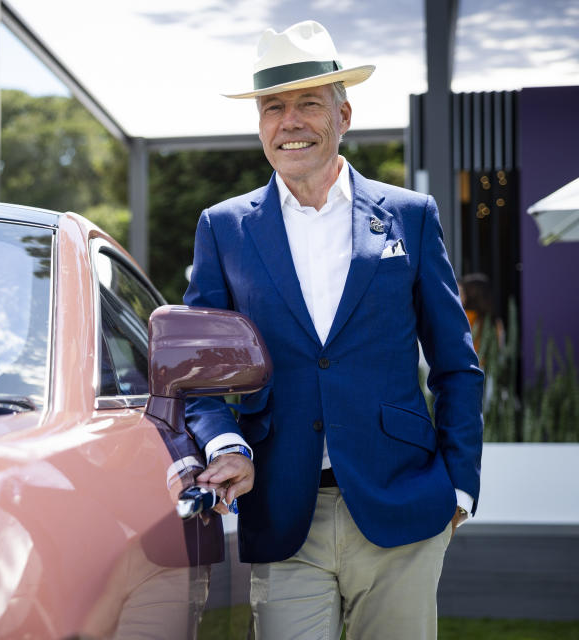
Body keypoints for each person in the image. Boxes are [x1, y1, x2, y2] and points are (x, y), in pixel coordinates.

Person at [182, 20, 483, 639]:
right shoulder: (224, 227)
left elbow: (456, 364)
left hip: (403, 500)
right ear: (261, 125)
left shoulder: (410, 216)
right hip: (284, 507)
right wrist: (224, 445)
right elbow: (202, 374)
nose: (289, 122)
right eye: (273, 108)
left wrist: (461, 484)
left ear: (342, 115)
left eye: (308, 104)